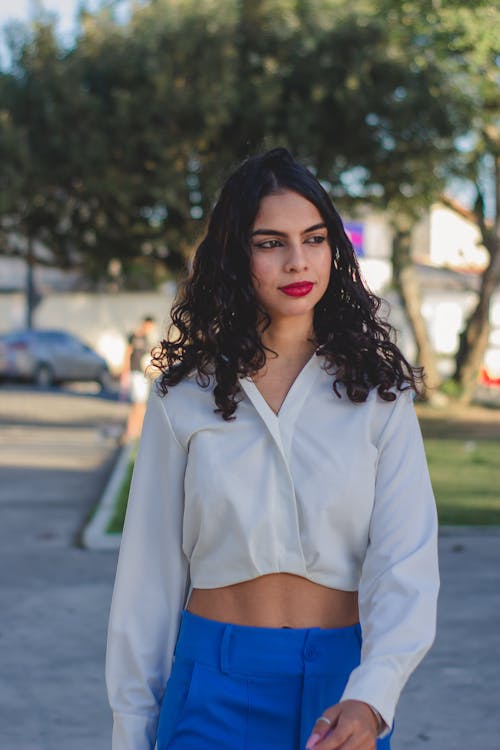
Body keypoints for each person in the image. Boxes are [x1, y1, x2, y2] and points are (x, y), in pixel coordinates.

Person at [106, 148, 439, 750]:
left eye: (314, 239)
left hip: (342, 694)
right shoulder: (184, 396)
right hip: (211, 682)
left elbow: (406, 561)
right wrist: (131, 729)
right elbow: (147, 577)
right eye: (270, 243)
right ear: (238, 255)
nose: (297, 261)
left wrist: (375, 693)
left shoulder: (379, 396)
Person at [120, 316, 156, 441]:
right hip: (135, 373)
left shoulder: (147, 339)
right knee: (137, 404)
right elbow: (127, 353)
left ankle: (139, 431)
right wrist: (125, 372)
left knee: (141, 404)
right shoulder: (134, 337)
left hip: (143, 374)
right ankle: (131, 431)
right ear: (145, 324)